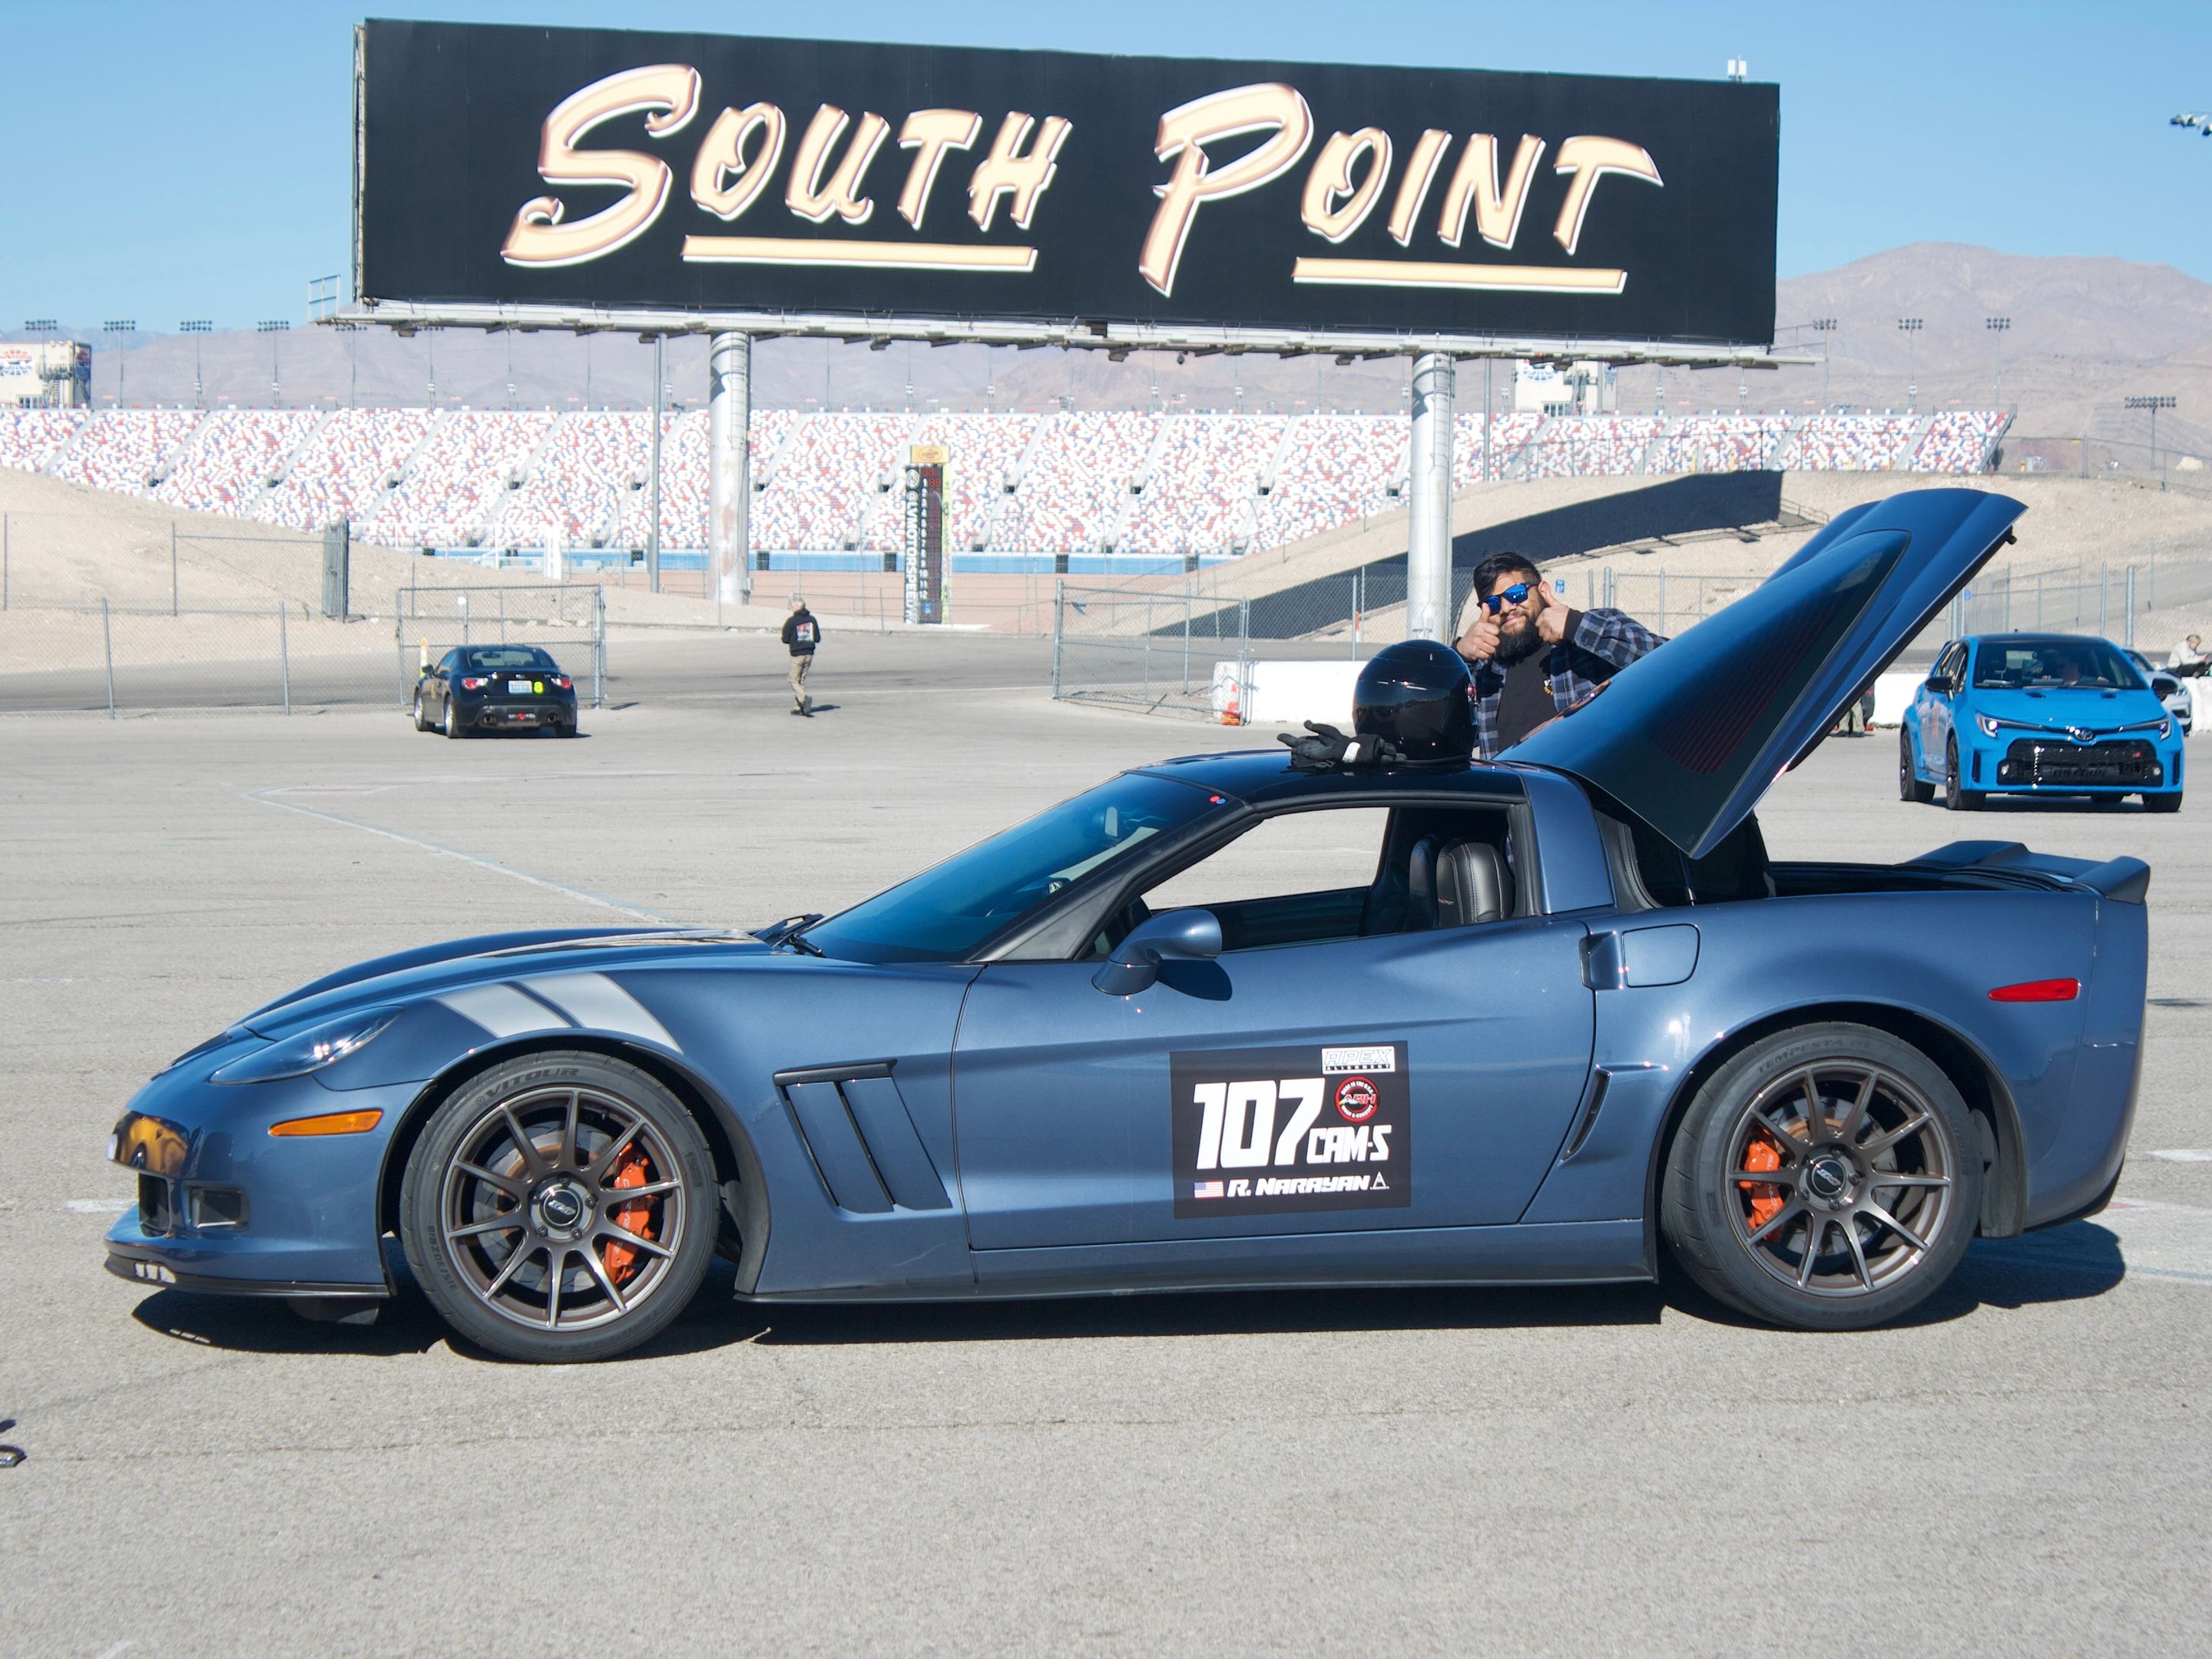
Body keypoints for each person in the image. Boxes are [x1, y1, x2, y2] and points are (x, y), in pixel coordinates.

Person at [1453, 551, 1666, 757]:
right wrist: (1459, 656)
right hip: (1515, 792)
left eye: (1516, 594)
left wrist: (1575, 625)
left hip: (1587, 787)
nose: (1507, 608)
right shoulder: (1485, 673)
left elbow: (1667, 662)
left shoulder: (1586, 640)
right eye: (1494, 603)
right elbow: (1441, 733)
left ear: (1542, 590)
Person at [781, 594, 820, 716]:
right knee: (801, 680)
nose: (791, 608)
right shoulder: (812, 620)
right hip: (809, 653)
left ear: (796, 607)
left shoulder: (791, 621)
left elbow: (785, 639)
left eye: (792, 606)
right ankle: (799, 707)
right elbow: (817, 638)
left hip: (798, 654)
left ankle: (804, 698)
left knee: (793, 679)